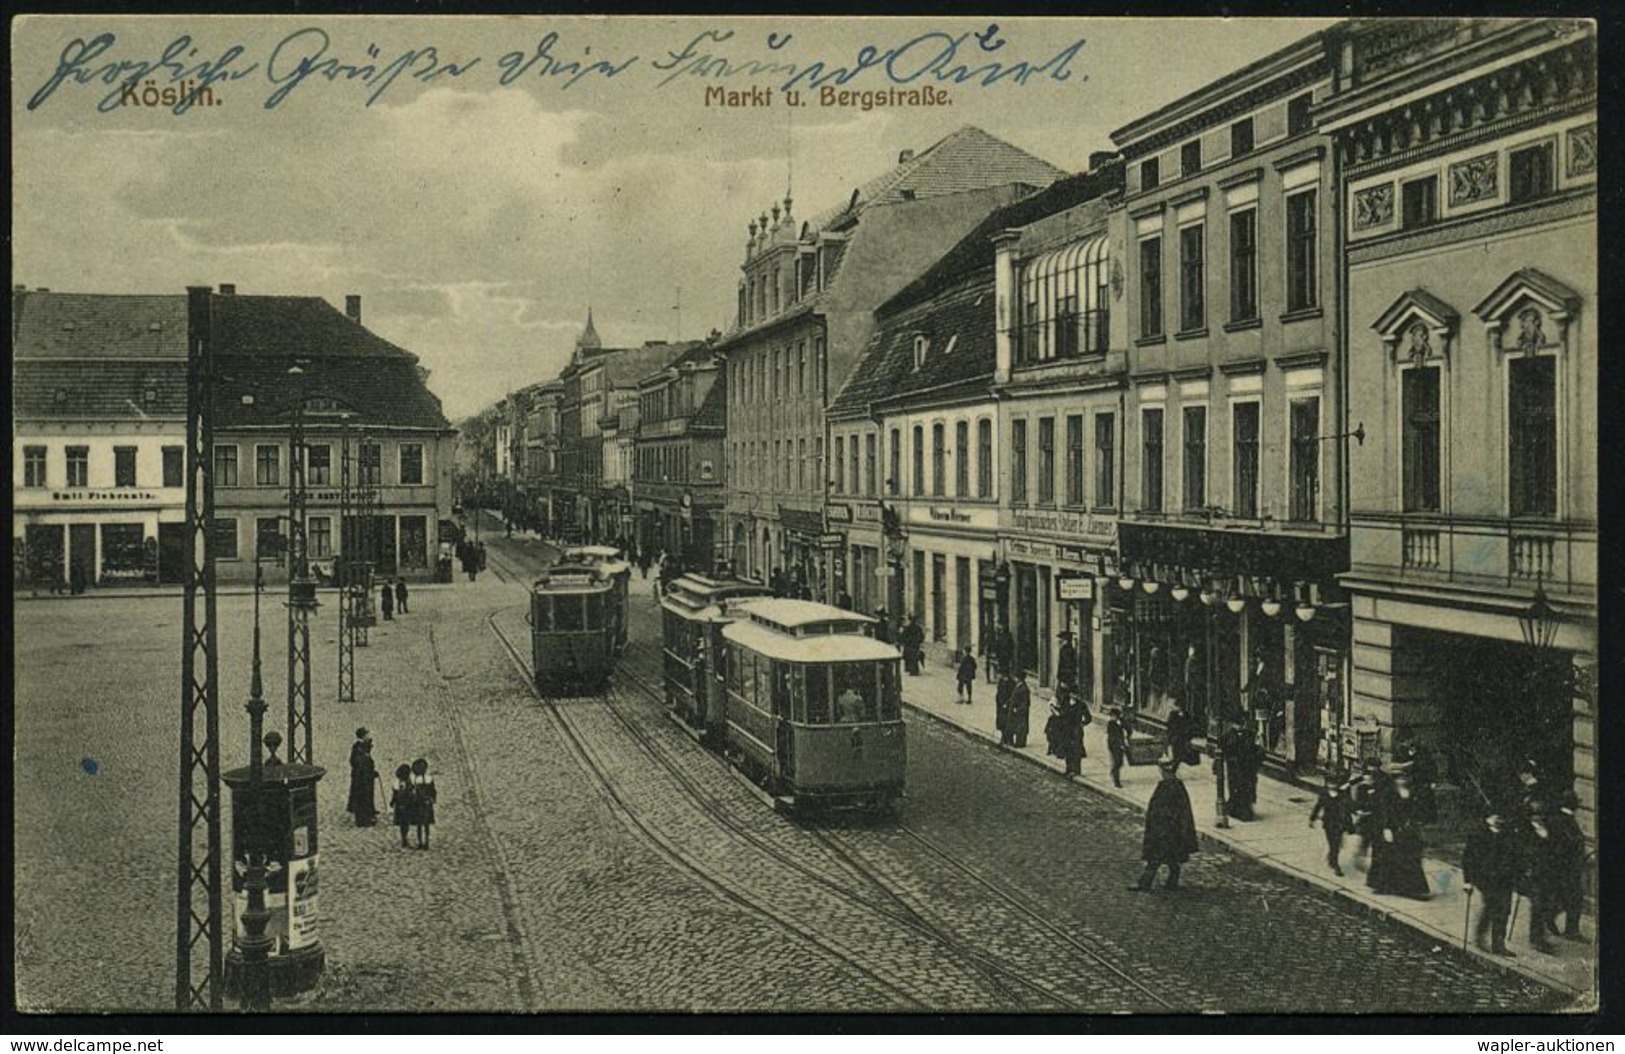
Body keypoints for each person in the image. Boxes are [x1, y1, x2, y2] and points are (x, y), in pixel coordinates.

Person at [1131, 754, 1198, 891]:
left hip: (1165, 830)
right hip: (1170, 830)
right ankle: (1172, 881)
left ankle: (1145, 883)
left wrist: (1161, 828)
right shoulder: (1176, 785)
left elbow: (1166, 811)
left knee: (1155, 858)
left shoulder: (1169, 786)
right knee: (1171, 857)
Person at [1367, 767, 1431, 899]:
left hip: (1409, 829)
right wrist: (1386, 828)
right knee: (1392, 858)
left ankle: (1414, 888)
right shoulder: (1388, 793)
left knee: (1411, 858)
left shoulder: (1412, 792)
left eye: (1405, 777)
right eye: (1399, 777)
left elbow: (1418, 810)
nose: (1402, 779)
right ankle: (1388, 886)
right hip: (1394, 829)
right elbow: (1385, 812)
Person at [1463, 811, 1519, 956]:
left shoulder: (1508, 834)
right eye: (1496, 816)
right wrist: (1468, 881)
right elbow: (1468, 858)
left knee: (1504, 910)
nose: (1499, 819)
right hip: (1485, 878)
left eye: (1501, 817)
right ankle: (1481, 936)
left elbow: (1515, 856)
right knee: (1493, 907)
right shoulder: (1478, 835)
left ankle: (1498, 945)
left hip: (1504, 879)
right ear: (1488, 818)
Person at [1545, 790, 1587, 941]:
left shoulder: (1559, 819)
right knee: (1574, 898)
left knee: (1564, 898)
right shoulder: (1564, 820)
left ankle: (1550, 918)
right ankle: (1570, 931)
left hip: (1563, 867)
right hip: (1565, 868)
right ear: (1573, 805)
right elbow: (1564, 845)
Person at [1309, 770, 1356, 876]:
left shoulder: (1342, 794)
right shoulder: (1324, 795)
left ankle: (1333, 861)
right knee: (1333, 843)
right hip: (1329, 823)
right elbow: (1318, 807)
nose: (1332, 785)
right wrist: (1312, 819)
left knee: (1336, 844)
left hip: (1340, 822)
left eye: (1334, 783)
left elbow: (1350, 806)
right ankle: (1334, 862)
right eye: (1330, 783)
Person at [1220, 719, 1260, 821]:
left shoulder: (1249, 735)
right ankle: (1237, 810)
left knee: (1247, 789)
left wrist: (1255, 761)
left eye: (1242, 724)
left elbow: (1256, 750)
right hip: (1235, 768)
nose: (1240, 726)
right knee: (1236, 788)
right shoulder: (1228, 736)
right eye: (1238, 724)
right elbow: (1223, 750)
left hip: (1247, 768)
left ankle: (1245, 811)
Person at [1049, 683, 1090, 777]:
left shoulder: (1081, 705)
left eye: (1077, 694)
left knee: (1076, 750)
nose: (1075, 696)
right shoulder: (1065, 701)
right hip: (1066, 729)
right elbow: (1061, 712)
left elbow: (1088, 718)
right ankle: (1068, 769)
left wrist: (1082, 724)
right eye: (1073, 694)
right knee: (1067, 749)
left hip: (1076, 731)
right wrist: (1055, 710)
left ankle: (1076, 771)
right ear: (1070, 694)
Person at [347, 729, 378, 827]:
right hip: (361, 778)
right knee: (362, 798)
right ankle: (363, 820)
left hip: (365, 776)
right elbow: (359, 762)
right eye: (367, 735)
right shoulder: (358, 748)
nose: (369, 737)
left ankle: (368, 816)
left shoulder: (362, 746)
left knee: (366, 797)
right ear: (363, 736)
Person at [410, 757, 437, 850]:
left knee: (425, 824)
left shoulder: (428, 779)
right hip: (417, 803)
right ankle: (420, 841)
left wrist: (432, 798)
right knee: (419, 824)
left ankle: (426, 841)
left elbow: (433, 790)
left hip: (425, 803)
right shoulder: (413, 780)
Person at [389, 763, 416, 849]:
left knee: (403, 823)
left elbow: (395, 794)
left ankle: (404, 838)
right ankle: (404, 838)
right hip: (405, 805)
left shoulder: (401, 783)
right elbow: (402, 794)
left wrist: (393, 801)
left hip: (401, 805)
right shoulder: (406, 783)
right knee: (405, 823)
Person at [1165, 702, 1198, 769]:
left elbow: (1189, 724)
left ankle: (1174, 764)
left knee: (1179, 751)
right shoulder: (1173, 714)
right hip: (1174, 735)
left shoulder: (1186, 714)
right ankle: (1173, 763)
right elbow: (1170, 725)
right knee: (1175, 749)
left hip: (1183, 736)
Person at [1007, 670, 1032, 749]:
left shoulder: (1024, 689)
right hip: (1015, 710)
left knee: (1020, 728)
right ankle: (1014, 741)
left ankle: (1020, 743)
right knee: (1014, 726)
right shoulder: (1018, 686)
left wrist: (1018, 709)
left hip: (1020, 712)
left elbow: (1025, 703)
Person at [1106, 707, 1129, 788]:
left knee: (1120, 762)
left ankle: (1113, 772)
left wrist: (1127, 736)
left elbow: (1129, 730)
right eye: (1111, 716)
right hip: (1114, 745)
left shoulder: (1122, 722)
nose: (1112, 717)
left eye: (1114, 716)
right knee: (1117, 762)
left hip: (1122, 744)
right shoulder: (1110, 724)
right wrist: (1119, 744)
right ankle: (1117, 781)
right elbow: (1112, 736)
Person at [995, 672, 1015, 745]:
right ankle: (1003, 737)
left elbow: (1012, 695)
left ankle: (1009, 739)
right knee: (1001, 723)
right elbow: (999, 693)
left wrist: (1006, 703)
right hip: (1000, 706)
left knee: (1008, 723)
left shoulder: (1011, 683)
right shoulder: (1001, 682)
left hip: (1007, 706)